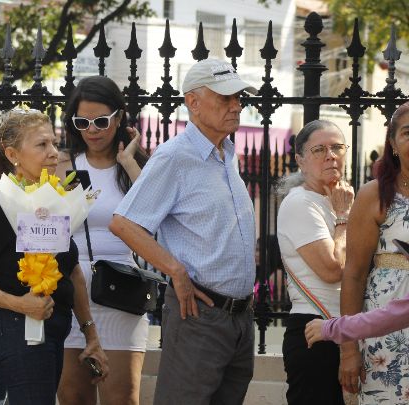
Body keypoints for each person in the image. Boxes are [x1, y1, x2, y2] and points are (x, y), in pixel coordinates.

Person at [108, 58, 258, 405]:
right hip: (200, 315)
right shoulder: (175, 156)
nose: (236, 106)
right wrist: (175, 270)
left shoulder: (227, 151)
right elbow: (124, 223)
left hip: (238, 317)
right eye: (225, 98)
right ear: (193, 103)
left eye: (239, 98)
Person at [0, 109, 109, 405]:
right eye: (42, 145)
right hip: (17, 329)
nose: (53, 152)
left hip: (55, 329)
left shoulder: (52, 203)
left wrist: (92, 337)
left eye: (54, 142)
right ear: (13, 154)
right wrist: (19, 303)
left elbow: (72, 272)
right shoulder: (0, 208)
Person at [56, 76, 148, 405]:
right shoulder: (64, 165)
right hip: (71, 293)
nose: (92, 130)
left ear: (119, 117)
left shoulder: (136, 167)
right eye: (82, 122)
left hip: (121, 294)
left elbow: (154, 217)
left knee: (122, 397)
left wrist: (129, 163)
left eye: (100, 121)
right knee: (73, 395)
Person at [332, 101, 409, 403]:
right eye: (407, 132)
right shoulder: (375, 194)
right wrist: (349, 349)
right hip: (384, 332)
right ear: (392, 142)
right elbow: (353, 275)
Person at [275, 120, 354, 405]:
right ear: (300, 160)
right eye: (319, 149)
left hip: (346, 328)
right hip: (314, 330)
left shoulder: (339, 198)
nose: (330, 155)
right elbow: (333, 269)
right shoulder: (301, 203)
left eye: (337, 147)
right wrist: (343, 218)